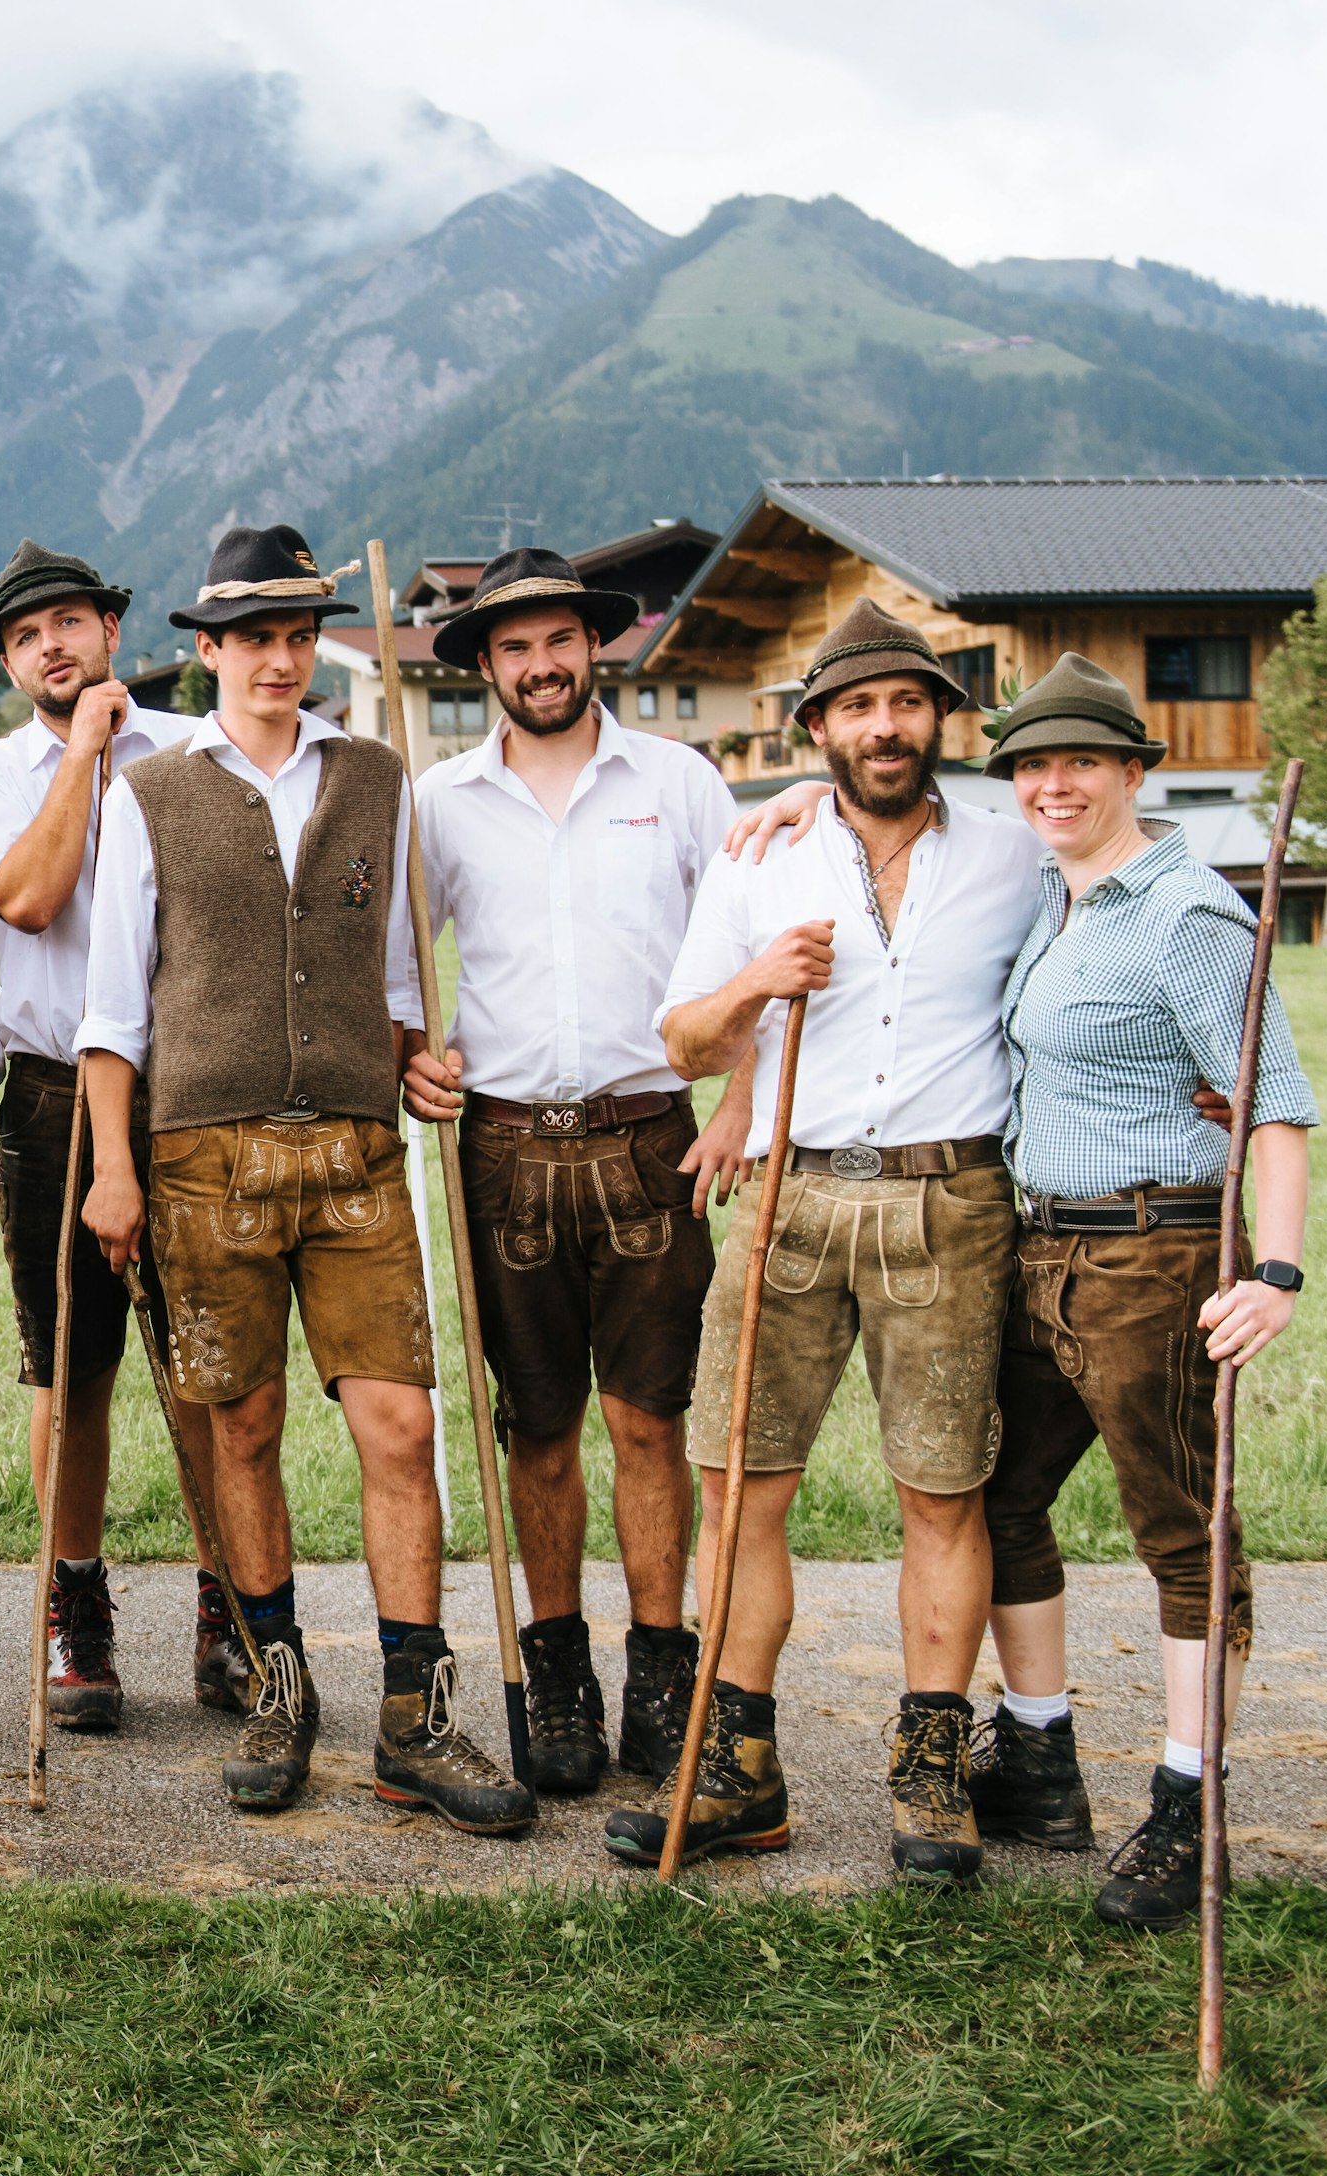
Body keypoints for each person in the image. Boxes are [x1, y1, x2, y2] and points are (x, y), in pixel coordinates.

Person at [77, 523, 534, 1834]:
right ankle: (281, 1682)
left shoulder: (377, 777)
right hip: (201, 1155)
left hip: (353, 1153)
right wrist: (114, 1171)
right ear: (208, 650)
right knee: (245, 1428)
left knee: (398, 1427)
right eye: (253, 638)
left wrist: (417, 1061)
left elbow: (393, 978)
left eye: (295, 635)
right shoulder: (150, 791)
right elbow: (115, 1009)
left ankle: (414, 1716)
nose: (278, 659)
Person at [617, 599, 1045, 1880]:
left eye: (907, 702)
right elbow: (683, 1041)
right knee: (740, 1483)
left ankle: (930, 1774)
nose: (886, 726)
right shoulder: (764, 859)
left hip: (949, 1198)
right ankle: (740, 1772)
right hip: (793, 1198)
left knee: (942, 1488)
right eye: (858, 707)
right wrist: (758, 982)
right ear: (818, 728)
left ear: (939, 719)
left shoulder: (1015, 850)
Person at [962, 653, 1313, 1929]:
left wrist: (1272, 1270)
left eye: (1080, 762)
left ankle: (1187, 1802)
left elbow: (1272, 1097)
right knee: (996, 1496)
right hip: (1042, 1252)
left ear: (1132, 770)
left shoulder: (1188, 914)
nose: (1053, 783)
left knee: (1177, 1528)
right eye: (1031, 765)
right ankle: (1041, 1759)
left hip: (1153, 1255)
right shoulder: (1063, 898)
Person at [397, 548, 754, 1797]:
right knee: (535, 1427)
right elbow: (405, 968)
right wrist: (412, 1060)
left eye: (558, 640)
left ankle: (663, 1668)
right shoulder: (440, 801)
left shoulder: (680, 781)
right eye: (513, 647)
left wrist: (743, 1107)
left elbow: (751, 955)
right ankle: (557, 1671)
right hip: (501, 1150)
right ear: (484, 665)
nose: (540, 665)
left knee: (649, 1421)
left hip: (653, 1137)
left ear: (593, 646)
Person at [0, 539, 228, 1735]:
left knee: (211, 1366)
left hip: (196, 1088)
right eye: (24, 634)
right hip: (55, 1097)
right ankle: (78, 1603)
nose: (50, 643)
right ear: (10, 664)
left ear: (112, 629)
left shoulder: (202, 754)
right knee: (74, 1370)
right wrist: (85, 754)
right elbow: (28, 896)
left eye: (69, 620)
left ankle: (235, 1601)